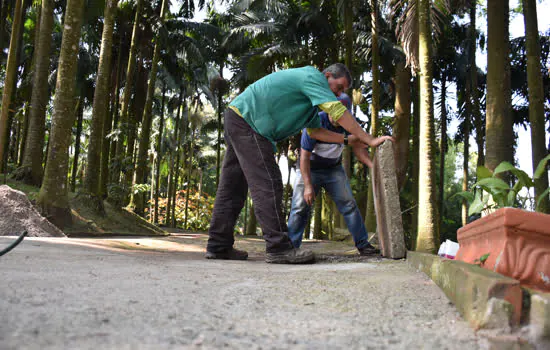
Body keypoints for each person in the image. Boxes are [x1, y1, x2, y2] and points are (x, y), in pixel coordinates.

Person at [206, 63, 393, 264]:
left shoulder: (309, 105)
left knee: (232, 188)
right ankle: (278, 248)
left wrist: (347, 140)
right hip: (250, 123)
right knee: (269, 183)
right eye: (338, 88)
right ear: (327, 76)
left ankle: (219, 246)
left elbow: (315, 132)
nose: (338, 94)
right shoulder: (312, 77)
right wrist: (370, 139)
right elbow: (337, 111)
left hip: (239, 117)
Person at [287, 92, 381, 255]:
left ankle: (362, 244)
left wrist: (373, 166)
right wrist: (308, 186)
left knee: (349, 204)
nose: (337, 118)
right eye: (334, 113)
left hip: (333, 169)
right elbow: (304, 158)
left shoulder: (350, 124)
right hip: (310, 168)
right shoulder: (316, 122)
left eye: (342, 115)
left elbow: (358, 148)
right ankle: (290, 247)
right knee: (299, 207)